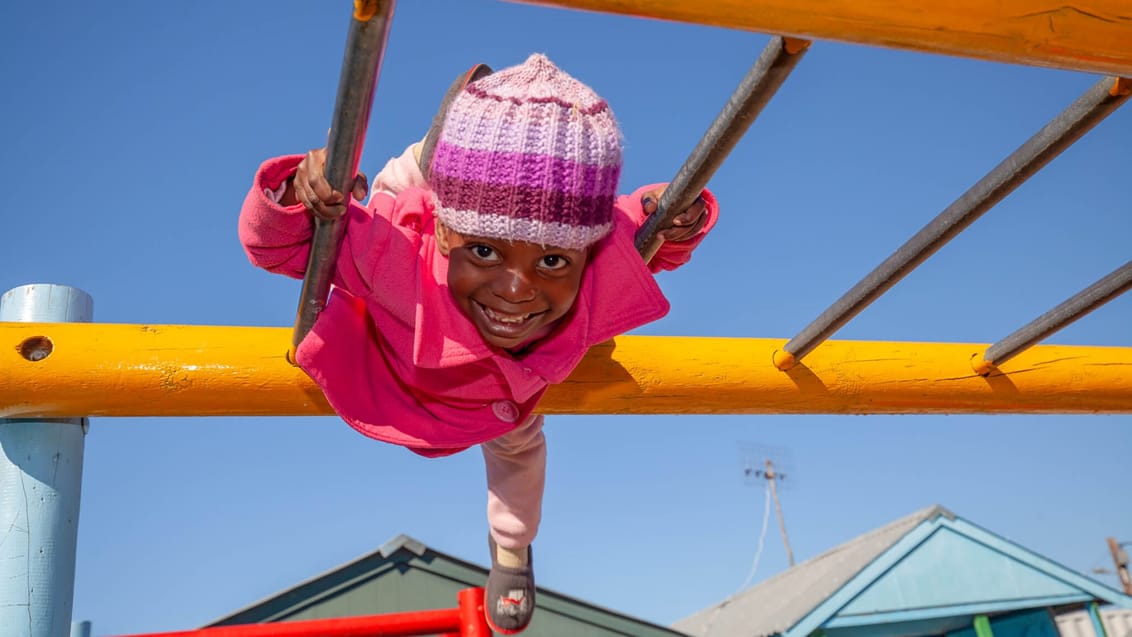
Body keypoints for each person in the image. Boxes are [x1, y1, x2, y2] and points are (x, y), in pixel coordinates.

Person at [239, 53, 717, 634]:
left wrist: (666, 217)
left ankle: (512, 553)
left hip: (508, 397)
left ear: (582, 254)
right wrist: (295, 195)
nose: (518, 290)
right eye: (486, 253)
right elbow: (278, 249)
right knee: (390, 204)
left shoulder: (590, 265)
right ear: (444, 231)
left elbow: (634, 238)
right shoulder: (398, 254)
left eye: (551, 260)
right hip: (397, 347)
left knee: (520, 457)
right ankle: (429, 159)